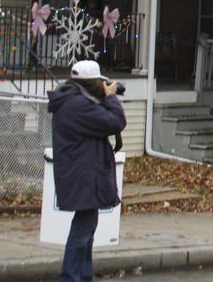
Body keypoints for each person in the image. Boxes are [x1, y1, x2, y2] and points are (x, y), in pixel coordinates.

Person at [48, 59, 126, 282]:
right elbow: (115, 122)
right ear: (92, 83)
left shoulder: (72, 99)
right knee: (82, 232)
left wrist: (104, 96)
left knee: (86, 230)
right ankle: (70, 277)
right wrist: (110, 97)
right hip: (83, 174)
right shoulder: (78, 106)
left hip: (81, 172)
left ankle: (83, 276)